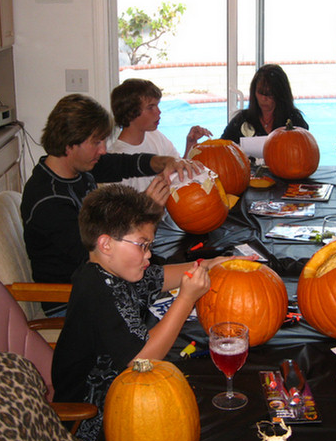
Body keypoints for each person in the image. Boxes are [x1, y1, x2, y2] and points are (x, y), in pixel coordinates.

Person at [52, 184, 232, 441]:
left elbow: (159, 277)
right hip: (94, 418)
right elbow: (142, 359)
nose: (149, 255)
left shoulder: (111, 268)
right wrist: (185, 299)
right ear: (106, 244)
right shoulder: (98, 291)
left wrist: (207, 265)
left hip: (126, 391)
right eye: (142, 245)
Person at [20, 94, 201, 298]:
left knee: (188, 265)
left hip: (108, 277)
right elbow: (100, 256)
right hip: (79, 297)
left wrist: (166, 162)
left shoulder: (78, 168)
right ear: (69, 144)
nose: (103, 150)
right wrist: (144, 209)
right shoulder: (49, 201)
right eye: (96, 143)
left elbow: (123, 164)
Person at [109, 78, 212, 192]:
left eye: (157, 105)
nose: (158, 112)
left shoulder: (155, 135)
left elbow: (179, 172)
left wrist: (190, 144)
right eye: (150, 107)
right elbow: (121, 208)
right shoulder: (114, 159)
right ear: (131, 113)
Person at [221, 64, 308, 143]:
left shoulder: (294, 121)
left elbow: (305, 152)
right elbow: (223, 148)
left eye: (269, 94)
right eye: (260, 93)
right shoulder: (242, 120)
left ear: (280, 94)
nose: (263, 99)